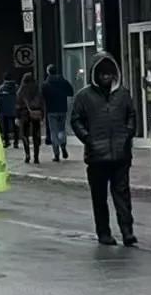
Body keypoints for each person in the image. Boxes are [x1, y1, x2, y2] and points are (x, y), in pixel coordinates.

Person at [69, 53, 137, 246]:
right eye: (102, 74)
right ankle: (104, 233)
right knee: (99, 198)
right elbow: (76, 119)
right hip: (97, 156)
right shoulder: (84, 96)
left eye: (109, 74)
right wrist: (87, 138)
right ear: (96, 75)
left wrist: (128, 133)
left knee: (122, 195)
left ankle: (127, 231)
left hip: (120, 155)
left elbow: (131, 115)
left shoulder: (122, 94)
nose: (106, 78)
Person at [42, 64, 75, 162]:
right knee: (61, 130)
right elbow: (71, 91)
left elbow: (43, 97)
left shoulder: (46, 84)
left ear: (48, 72)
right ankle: (63, 145)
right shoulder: (63, 81)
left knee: (53, 132)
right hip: (62, 108)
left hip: (51, 110)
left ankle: (56, 153)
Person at [16, 71, 45, 164]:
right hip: (35, 114)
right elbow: (41, 103)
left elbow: (18, 104)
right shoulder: (37, 89)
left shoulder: (21, 90)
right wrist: (42, 116)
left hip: (24, 114)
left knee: (25, 135)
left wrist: (17, 116)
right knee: (36, 135)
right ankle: (36, 157)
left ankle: (27, 154)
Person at [0, 73, 19, 147]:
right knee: (15, 126)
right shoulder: (16, 87)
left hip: (4, 110)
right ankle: (16, 142)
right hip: (15, 109)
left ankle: (7, 141)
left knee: (5, 127)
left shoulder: (2, 88)